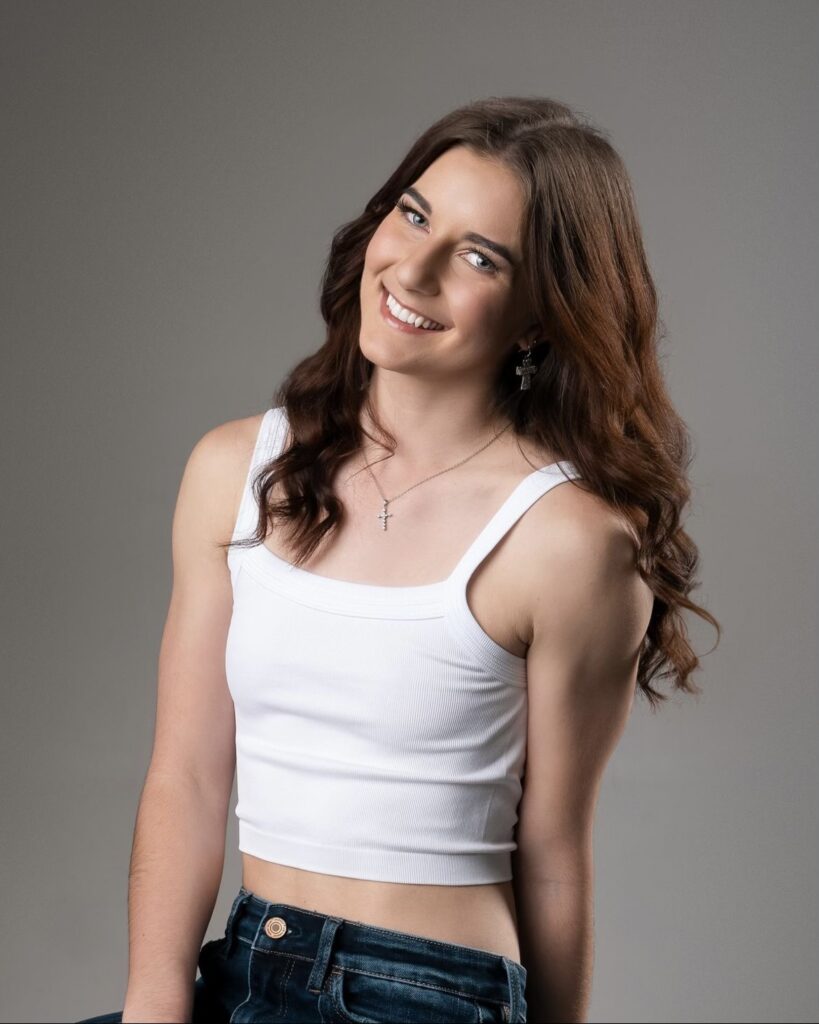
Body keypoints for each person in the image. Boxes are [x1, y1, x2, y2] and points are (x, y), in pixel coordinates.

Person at [78, 96, 719, 1024]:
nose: (413, 271)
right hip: (246, 968)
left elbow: (551, 852)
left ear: (540, 319)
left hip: (422, 993)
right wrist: (153, 1003)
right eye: (413, 216)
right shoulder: (234, 469)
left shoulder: (568, 540)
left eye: (478, 257)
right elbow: (186, 776)